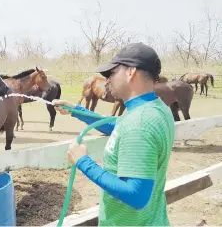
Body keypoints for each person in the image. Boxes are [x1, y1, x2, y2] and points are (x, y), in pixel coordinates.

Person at [52, 42, 175, 226]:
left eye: (112, 73)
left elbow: (136, 195)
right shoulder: (154, 108)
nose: (107, 80)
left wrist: (83, 162)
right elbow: (117, 126)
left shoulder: (138, 124)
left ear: (130, 72)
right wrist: (76, 110)